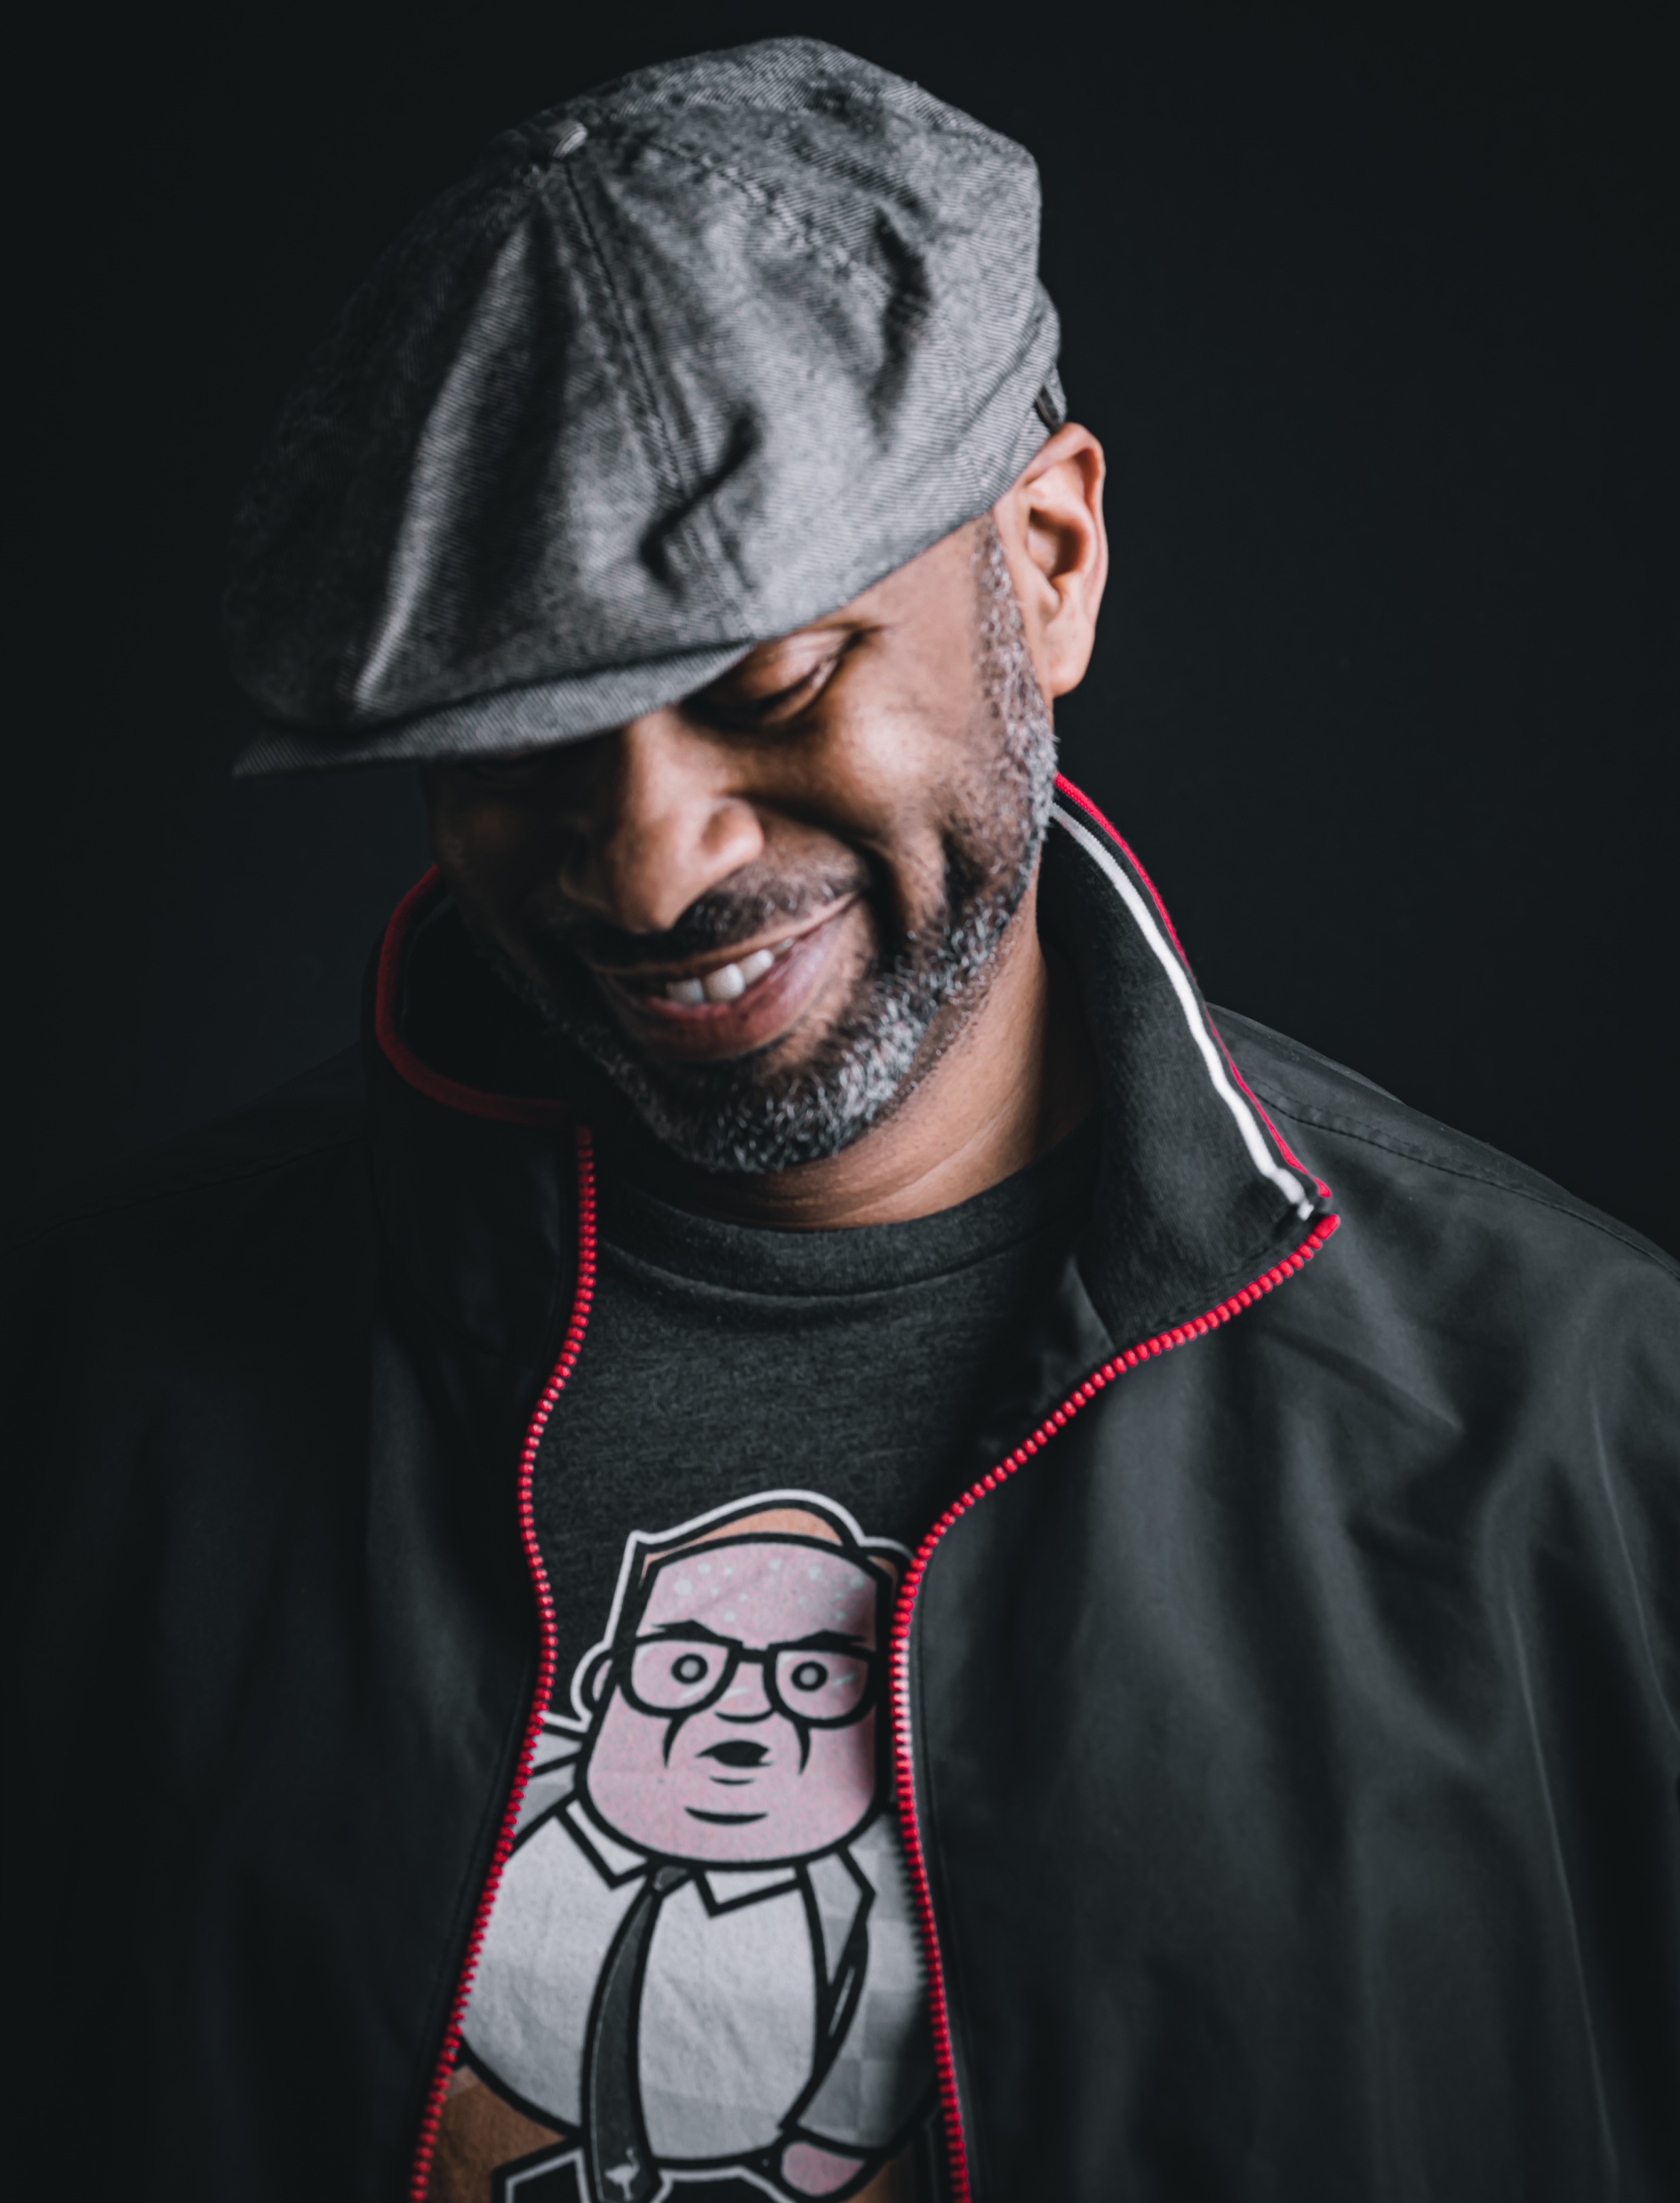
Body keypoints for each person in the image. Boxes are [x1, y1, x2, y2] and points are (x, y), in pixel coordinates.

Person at [5, 37, 1676, 2203]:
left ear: (1050, 563)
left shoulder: (1591, 1439)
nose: (649, 860)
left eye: (771, 681)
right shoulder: (86, 1395)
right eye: (523, 743)